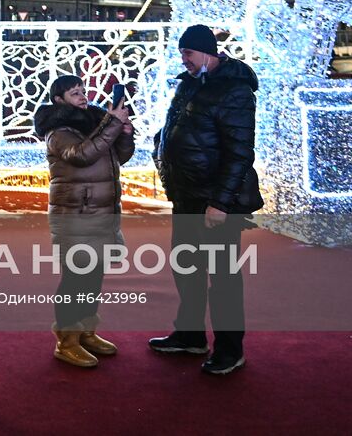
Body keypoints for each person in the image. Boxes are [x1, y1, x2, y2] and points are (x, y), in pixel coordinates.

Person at [149, 24, 262, 375]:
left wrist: (221, 203)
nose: (184, 59)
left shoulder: (235, 90)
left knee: (224, 279)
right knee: (187, 269)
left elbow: (240, 153)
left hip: (214, 202)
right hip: (186, 195)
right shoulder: (190, 84)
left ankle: (230, 349)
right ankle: (190, 334)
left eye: (189, 53)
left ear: (208, 53)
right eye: (182, 53)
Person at [34, 74, 134, 369]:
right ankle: (66, 341)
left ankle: (86, 331)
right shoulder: (58, 131)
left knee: (94, 277)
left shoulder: (94, 124)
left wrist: (124, 133)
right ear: (59, 100)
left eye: (82, 90)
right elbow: (82, 156)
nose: (82, 96)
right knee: (76, 279)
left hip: (101, 213)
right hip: (75, 216)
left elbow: (119, 157)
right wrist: (113, 124)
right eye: (74, 93)